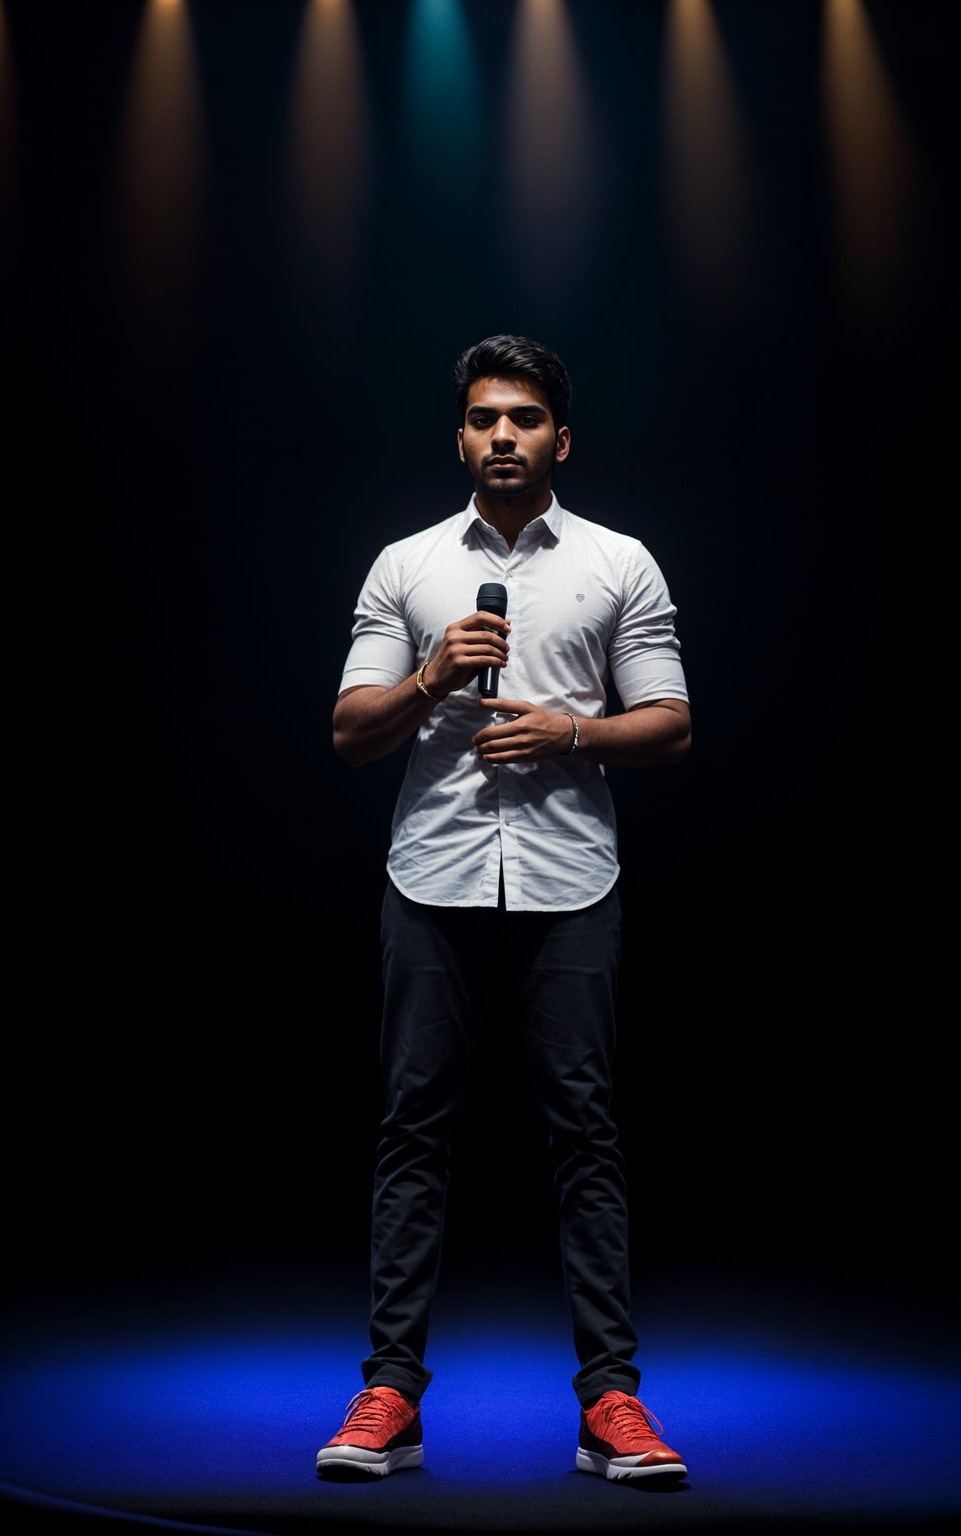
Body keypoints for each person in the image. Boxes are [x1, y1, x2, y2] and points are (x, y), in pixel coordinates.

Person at [317, 334, 692, 1487]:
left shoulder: (619, 561)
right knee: (412, 1130)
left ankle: (611, 1405)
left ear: (558, 439)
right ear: (462, 437)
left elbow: (670, 722)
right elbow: (349, 732)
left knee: (583, 1134)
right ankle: (390, 1394)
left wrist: (572, 731)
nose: (502, 436)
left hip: (571, 880)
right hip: (430, 879)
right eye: (483, 418)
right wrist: (431, 679)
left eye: (524, 418)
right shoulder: (409, 566)